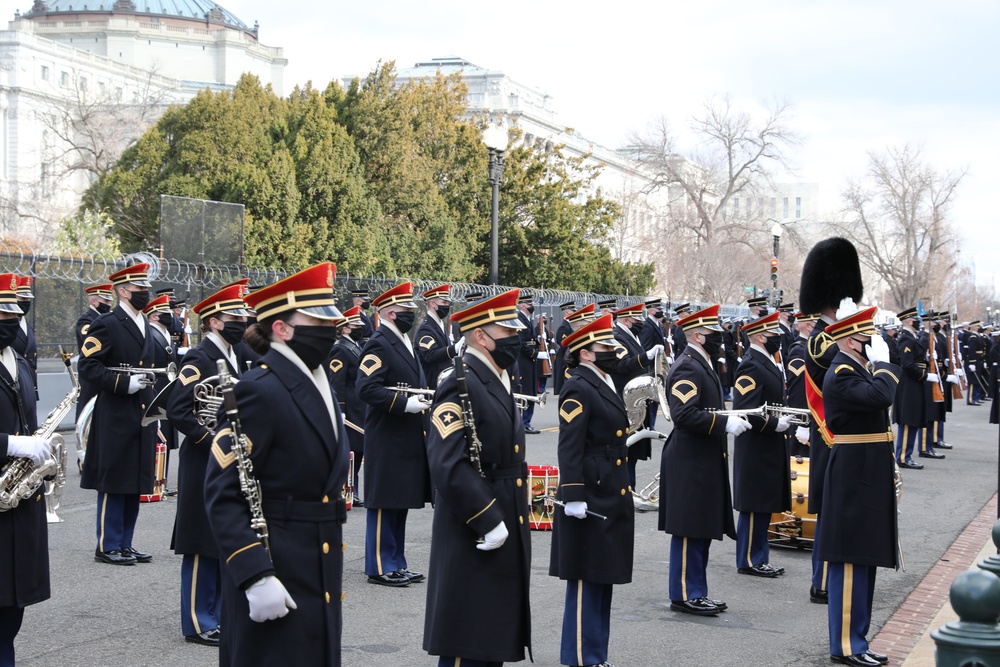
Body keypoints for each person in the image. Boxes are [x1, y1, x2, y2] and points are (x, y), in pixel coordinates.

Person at [204, 262, 349, 667]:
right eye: (317, 320)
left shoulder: (317, 380)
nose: (330, 328)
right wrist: (253, 573)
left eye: (330, 319)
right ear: (282, 328)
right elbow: (222, 492)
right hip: (277, 564)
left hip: (317, 564)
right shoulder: (257, 391)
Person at [423, 288, 532, 666]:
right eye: (507, 332)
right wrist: (488, 518)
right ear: (481, 336)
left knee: (490, 636)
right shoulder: (460, 382)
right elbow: (447, 463)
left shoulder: (495, 376)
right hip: (475, 525)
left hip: (502, 513)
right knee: (468, 641)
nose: (515, 340)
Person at [167, 282, 250, 647]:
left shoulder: (237, 355)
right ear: (214, 321)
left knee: (223, 535)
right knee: (202, 542)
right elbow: (179, 411)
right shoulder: (198, 358)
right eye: (235, 316)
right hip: (204, 460)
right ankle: (199, 621)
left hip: (229, 459)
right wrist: (214, 441)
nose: (242, 321)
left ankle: (219, 613)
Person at [816, 306, 898, 667]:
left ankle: (858, 640)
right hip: (853, 473)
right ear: (851, 340)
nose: (873, 345)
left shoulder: (858, 368)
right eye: (869, 339)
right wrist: (885, 365)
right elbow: (881, 397)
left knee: (864, 556)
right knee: (850, 558)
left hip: (866, 468)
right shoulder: (843, 372)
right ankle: (847, 645)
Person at [551, 313, 635, 667]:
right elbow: (570, 447)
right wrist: (573, 495)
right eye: (604, 346)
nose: (611, 351)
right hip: (592, 490)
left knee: (604, 576)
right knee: (587, 579)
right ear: (585, 352)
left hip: (611, 486)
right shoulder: (578, 385)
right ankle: (581, 657)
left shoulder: (603, 379)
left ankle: (596, 655)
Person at [659, 304, 744, 616]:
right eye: (712, 332)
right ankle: (684, 594)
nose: (718, 337)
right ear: (697, 334)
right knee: (689, 530)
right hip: (689, 458)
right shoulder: (688, 366)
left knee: (701, 529)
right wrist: (723, 423)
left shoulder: (702, 362)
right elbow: (683, 415)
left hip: (702, 457)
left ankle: (697, 590)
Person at [798, 237, 865, 606]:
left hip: (833, 433)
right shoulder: (824, 339)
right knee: (829, 510)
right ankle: (821, 581)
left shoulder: (830, 334)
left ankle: (824, 577)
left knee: (833, 509)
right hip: (829, 435)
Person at [78, 263, 157, 566]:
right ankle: (107, 544)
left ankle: (125, 542)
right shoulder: (108, 323)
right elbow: (88, 365)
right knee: (114, 480)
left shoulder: (144, 323)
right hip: (116, 412)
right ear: (123, 291)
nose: (144, 293)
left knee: (133, 479)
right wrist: (124, 383)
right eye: (139, 289)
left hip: (141, 411)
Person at [356, 281, 431, 587]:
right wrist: (403, 404)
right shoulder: (379, 342)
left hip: (405, 435)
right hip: (387, 435)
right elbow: (366, 387)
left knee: (399, 502)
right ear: (388, 312)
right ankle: (379, 565)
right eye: (405, 311)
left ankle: (396, 561)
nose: (410, 315)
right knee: (384, 502)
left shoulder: (401, 339)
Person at [0, 272, 50, 667]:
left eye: (14, 313)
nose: (11, 320)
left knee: (13, 610)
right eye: (2, 313)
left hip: (19, 504)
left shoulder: (18, 361)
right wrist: (10, 443)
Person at [731, 311, 792, 578]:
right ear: (758, 336)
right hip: (756, 445)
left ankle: (760, 556)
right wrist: (772, 424)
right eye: (773, 336)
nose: (777, 340)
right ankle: (749, 559)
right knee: (755, 505)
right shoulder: (751, 364)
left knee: (764, 503)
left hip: (768, 445)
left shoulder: (767, 360)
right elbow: (746, 408)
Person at [610, 302, 661, 488]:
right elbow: (622, 365)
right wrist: (645, 356)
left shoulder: (631, 335)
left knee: (632, 454)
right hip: (627, 401)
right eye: (636, 319)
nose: (640, 323)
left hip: (636, 401)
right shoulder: (618, 337)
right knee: (628, 452)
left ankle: (630, 490)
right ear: (626, 320)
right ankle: (626, 491)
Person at [328, 306, 366, 507]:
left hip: (358, 403)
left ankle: (353, 489)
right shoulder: (340, 348)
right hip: (349, 404)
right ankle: (348, 490)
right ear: (344, 328)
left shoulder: (354, 345)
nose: (360, 327)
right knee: (351, 449)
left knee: (358, 451)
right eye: (355, 324)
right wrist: (340, 409)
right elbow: (337, 382)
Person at [142, 294, 179, 497]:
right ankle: (152, 481)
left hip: (168, 390)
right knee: (157, 437)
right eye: (165, 313)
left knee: (165, 440)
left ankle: (160, 480)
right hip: (157, 391)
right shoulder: (150, 334)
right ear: (154, 316)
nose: (170, 316)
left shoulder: (165, 334)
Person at [893, 307, 931, 470]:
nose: (918, 321)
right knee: (908, 420)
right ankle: (903, 456)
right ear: (909, 321)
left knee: (914, 418)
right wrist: (924, 375)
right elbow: (907, 364)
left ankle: (907, 455)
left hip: (914, 384)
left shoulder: (912, 337)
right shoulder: (906, 338)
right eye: (916, 318)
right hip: (909, 385)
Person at [75, 283, 113, 422]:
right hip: (90, 373)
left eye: (110, 301)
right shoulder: (86, 320)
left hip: (104, 372)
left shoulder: (107, 320)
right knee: (87, 411)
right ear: (94, 301)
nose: (109, 304)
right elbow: (93, 341)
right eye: (106, 301)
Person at [415, 284, 461, 389]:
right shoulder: (426, 329)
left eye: (448, 303)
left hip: (441, 382)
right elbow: (430, 355)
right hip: (431, 384)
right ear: (433, 304)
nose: (447, 306)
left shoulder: (439, 325)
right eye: (444, 302)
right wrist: (454, 348)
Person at [785, 312, 817, 458]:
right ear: (808, 326)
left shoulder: (813, 348)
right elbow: (799, 390)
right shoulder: (799, 351)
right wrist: (802, 423)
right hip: (805, 422)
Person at [515, 292, 541, 434]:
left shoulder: (527, 319)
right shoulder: (519, 319)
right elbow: (521, 342)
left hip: (530, 360)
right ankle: (523, 422)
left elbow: (530, 339)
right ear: (523, 305)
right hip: (523, 360)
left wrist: (538, 343)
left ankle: (527, 421)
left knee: (531, 390)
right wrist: (535, 352)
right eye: (530, 304)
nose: (532, 306)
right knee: (525, 391)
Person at [12, 277, 37, 399]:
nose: (26, 302)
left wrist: (34, 390)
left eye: (28, 299)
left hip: (28, 388)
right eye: (22, 298)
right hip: (13, 387)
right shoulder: (5, 328)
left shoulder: (29, 328)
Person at [552, 301, 576, 395]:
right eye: (572, 311)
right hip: (564, 359)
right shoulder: (563, 328)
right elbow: (565, 344)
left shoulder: (570, 326)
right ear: (567, 313)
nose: (574, 313)